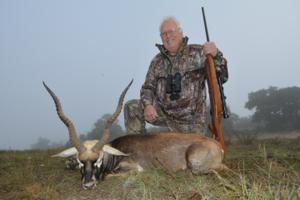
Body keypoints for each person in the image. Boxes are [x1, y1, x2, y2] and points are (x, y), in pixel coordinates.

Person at [124, 16, 228, 134]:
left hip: (192, 121)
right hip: (164, 116)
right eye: (163, 34)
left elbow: (222, 76)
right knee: (131, 107)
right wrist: (148, 105)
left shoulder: (199, 52)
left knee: (194, 151)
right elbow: (148, 87)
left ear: (181, 32)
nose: (168, 36)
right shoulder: (156, 61)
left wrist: (216, 55)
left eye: (171, 31)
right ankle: (137, 149)